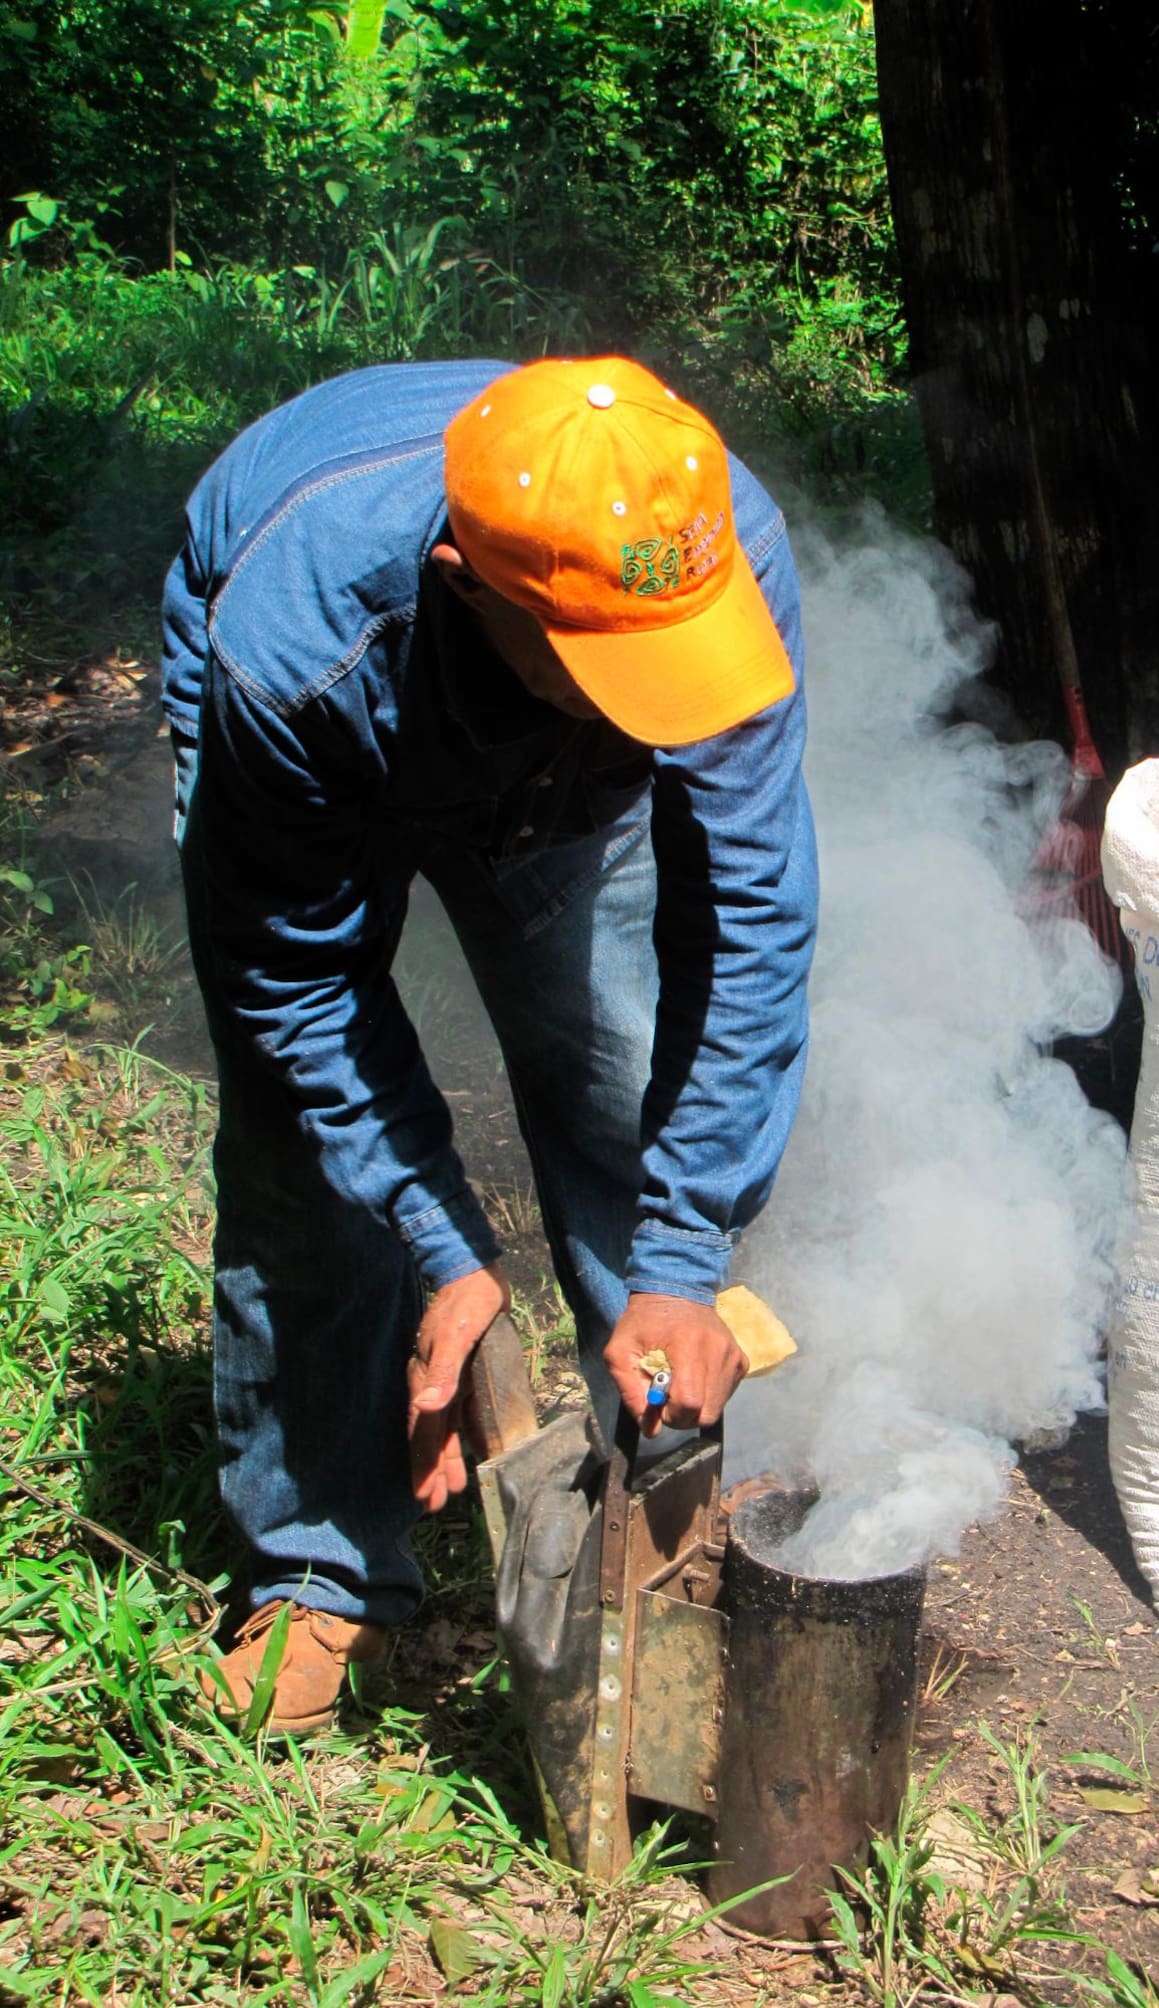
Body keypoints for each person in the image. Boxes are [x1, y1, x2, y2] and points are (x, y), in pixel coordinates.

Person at [162, 354, 817, 1734]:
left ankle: (651, 1523)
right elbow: (296, 979)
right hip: (344, 725)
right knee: (303, 1154)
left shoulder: (702, 547)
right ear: (468, 577)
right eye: (614, 669)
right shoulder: (291, 648)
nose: (666, 700)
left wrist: (687, 1255)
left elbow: (747, 918)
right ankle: (318, 1565)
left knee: (604, 1064)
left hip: (547, 770)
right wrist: (443, 1243)